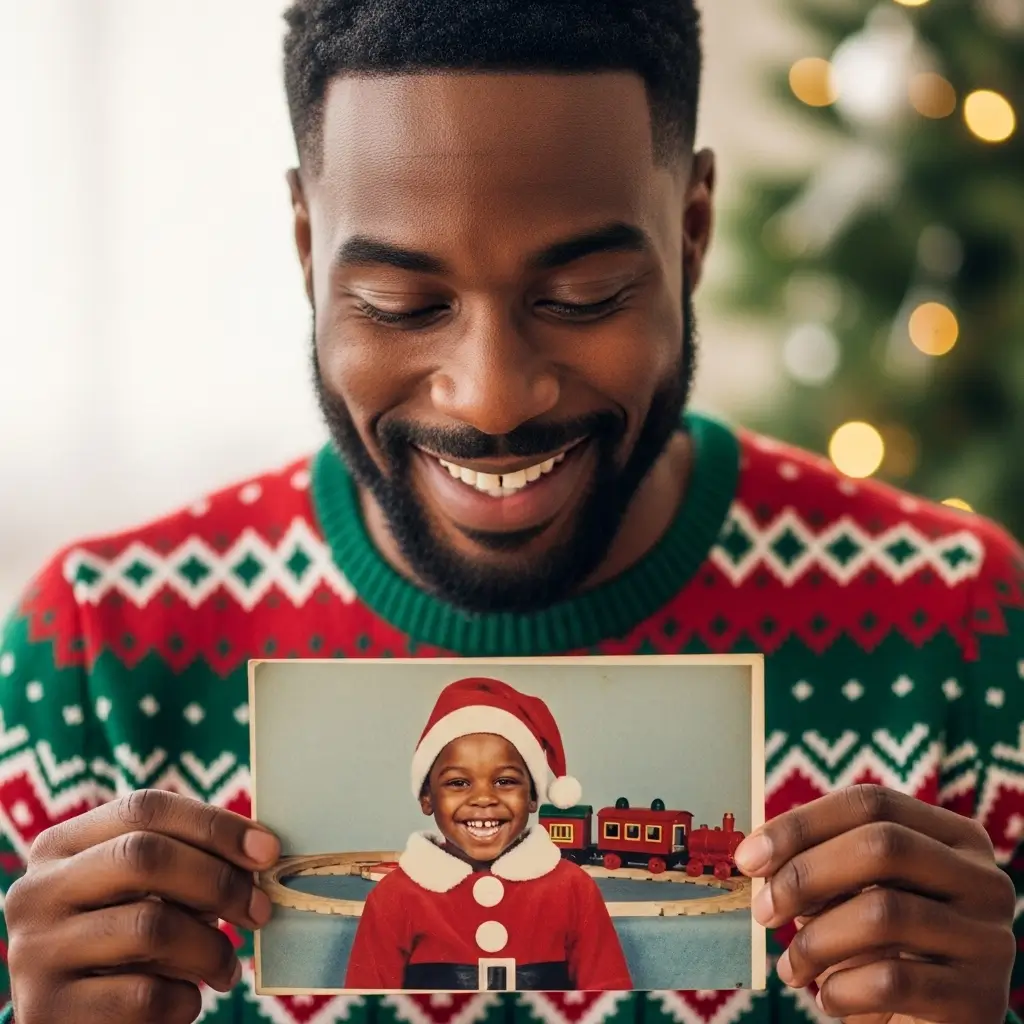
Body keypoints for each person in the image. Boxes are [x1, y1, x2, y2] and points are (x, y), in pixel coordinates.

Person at [0, 0, 1020, 1021]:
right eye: (403, 305)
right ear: (308, 249)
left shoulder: (961, 622)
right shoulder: (98, 649)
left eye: (582, 294)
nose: (490, 396)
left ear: (693, 233)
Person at [343, 676, 632, 992]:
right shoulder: (394, 898)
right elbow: (365, 1009)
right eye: (458, 783)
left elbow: (610, 1003)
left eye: (505, 781)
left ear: (534, 796)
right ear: (427, 798)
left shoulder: (575, 890)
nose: (483, 798)